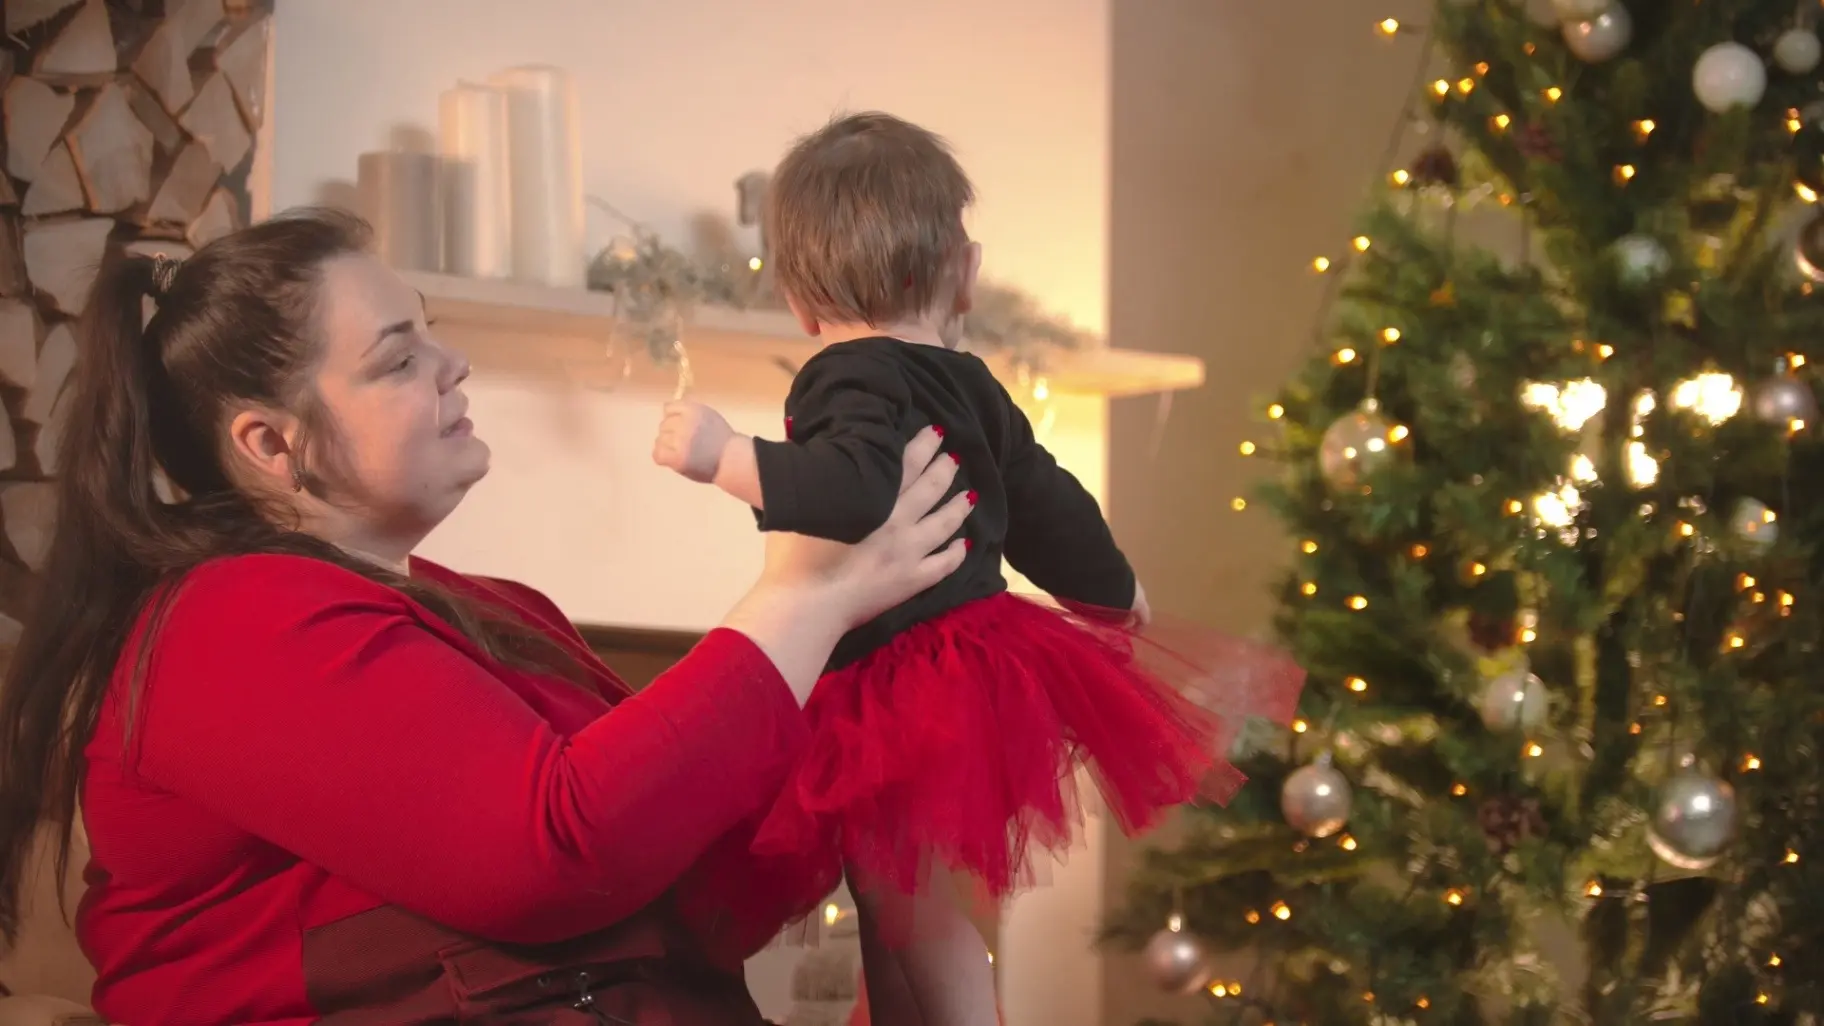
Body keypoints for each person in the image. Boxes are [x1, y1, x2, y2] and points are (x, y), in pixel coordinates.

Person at [0, 207, 977, 1026]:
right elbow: (554, 858)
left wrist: (870, 709)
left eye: (431, 334)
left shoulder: (506, 613)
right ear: (270, 443)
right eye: (398, 359)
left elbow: (708, 891)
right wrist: (807, 594)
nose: (452, 363)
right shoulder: (226, 626)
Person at [652, 112, 1305, 1026]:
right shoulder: (973, 383)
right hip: (967, 669)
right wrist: (1112, 590)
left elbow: (852, 489)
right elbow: (1046, 501)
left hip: (905, 681)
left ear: (798, 302)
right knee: (890, 904)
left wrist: (726, 457)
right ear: (964, 273)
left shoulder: (847, 374)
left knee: (915, 913)